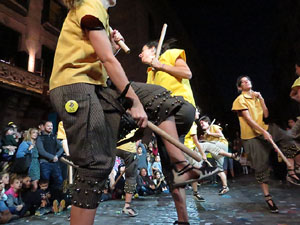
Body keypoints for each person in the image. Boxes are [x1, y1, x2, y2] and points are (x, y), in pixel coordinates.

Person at [50, 1, 216, 224]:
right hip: (75, 87)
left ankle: (181, 165)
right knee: (96, 166)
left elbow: (101, 56)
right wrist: (134, 102)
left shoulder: (99, 13)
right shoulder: (91, 5)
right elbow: (107, 60)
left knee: (158, 96)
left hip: (96, 85)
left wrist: (113, 45)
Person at [139, 39, 219, 224]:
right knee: (171, 172)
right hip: (161, 122)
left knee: (177, 166)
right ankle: (182, 219)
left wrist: (161, 65)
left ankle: (184, 166)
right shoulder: (150, 73)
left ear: (153, 50)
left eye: (143, 51)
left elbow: (187, 73)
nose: (139, 54)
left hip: (179, 109)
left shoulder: (169, 55)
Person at [232, 75, 300, 213]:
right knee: (262, 167)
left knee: (288, 140)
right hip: (251, 136)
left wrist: (261, 99)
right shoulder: (239, 100)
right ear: (240, 87)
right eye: (243, 82)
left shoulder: (257, 97)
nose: (247, 82)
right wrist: (263, 131)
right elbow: (248, 119)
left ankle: (291, 171)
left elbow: (266, 115)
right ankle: (268, 198)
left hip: (266, 128)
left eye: (248, 80)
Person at [36, 121, 64, 200]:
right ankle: (44, 203)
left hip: (55, 163)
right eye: (48, 126)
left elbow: (61, 147)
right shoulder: (40, 138)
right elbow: (41, 151)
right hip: (45, 163)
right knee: (45, 183)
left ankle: (57, 200)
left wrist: (56, 156)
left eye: (51, 126)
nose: (50, 127)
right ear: (44, 127)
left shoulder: (54, 137)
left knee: (59, 181)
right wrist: (52, 157)